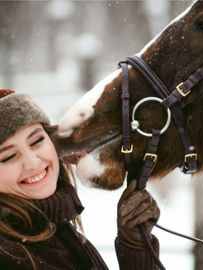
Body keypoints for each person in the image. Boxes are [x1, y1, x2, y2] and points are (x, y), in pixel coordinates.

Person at [0, 89, 160, 270]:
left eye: (36, 140)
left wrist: (135, 248)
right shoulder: (9, 254)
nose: (33, 163)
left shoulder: (54, 228)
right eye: (8, 157)